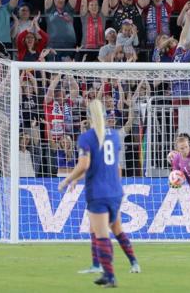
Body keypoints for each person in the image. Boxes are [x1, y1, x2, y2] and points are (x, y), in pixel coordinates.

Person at [59, 100, 140, 287]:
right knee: (113, 229)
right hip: (115, 191)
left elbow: (84, 164)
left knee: (102, 234)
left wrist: (68, 179)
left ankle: (109, 275)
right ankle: (125, 264)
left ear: (88, 116)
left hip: (98, 192)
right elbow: (112, 166)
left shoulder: (86, 137)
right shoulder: (115, 136)